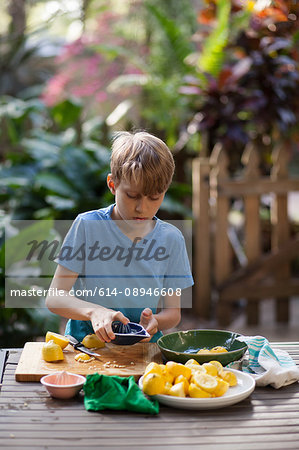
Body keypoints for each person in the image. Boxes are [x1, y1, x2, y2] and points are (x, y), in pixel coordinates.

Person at [46, 131, 193, 343]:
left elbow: (173, 313)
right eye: (132, 195)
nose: (142, 207)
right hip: (87, 348)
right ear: (113, 184)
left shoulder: (172, 239)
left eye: (154, 197)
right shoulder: (87, 227)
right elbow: (55, 298)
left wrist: (155, 323)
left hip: (142, 350)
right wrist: (93, 312)